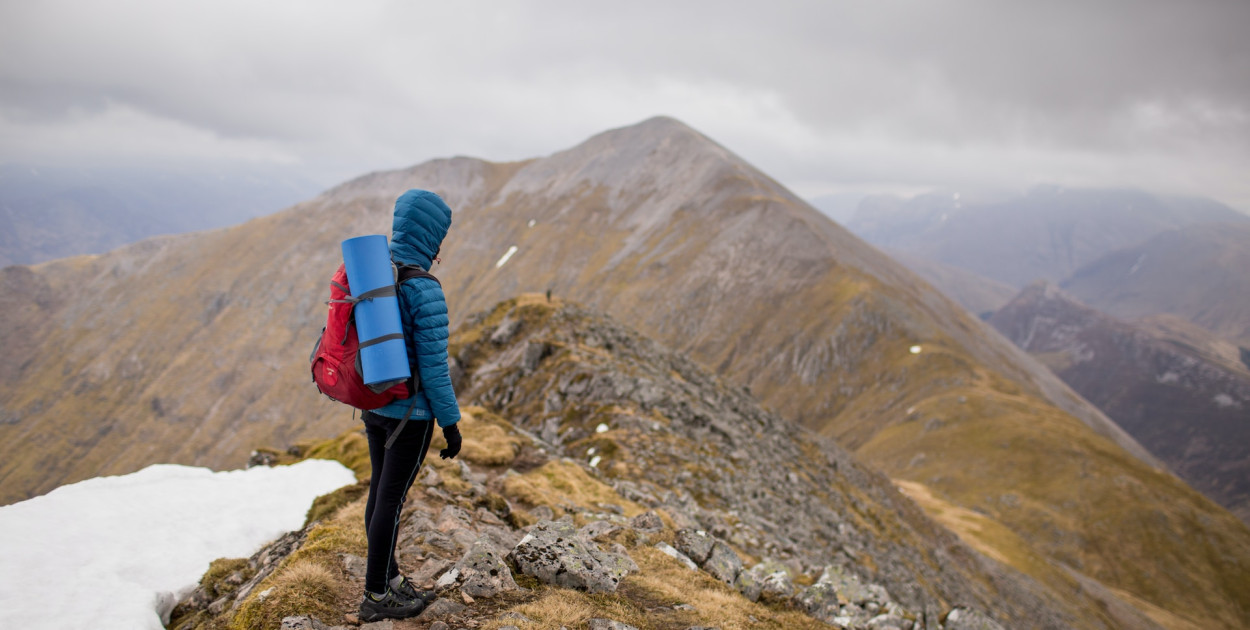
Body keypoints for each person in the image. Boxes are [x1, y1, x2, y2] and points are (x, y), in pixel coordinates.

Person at [358, 189, 463, 622]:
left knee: (380, 494)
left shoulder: (374, 275)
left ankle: (390, 578)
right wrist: (451, 424)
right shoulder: (424, 288)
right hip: (411, 415)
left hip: (374, 405)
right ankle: (377, 596)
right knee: (392, 502)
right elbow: (435, 369)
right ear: (432, 237)